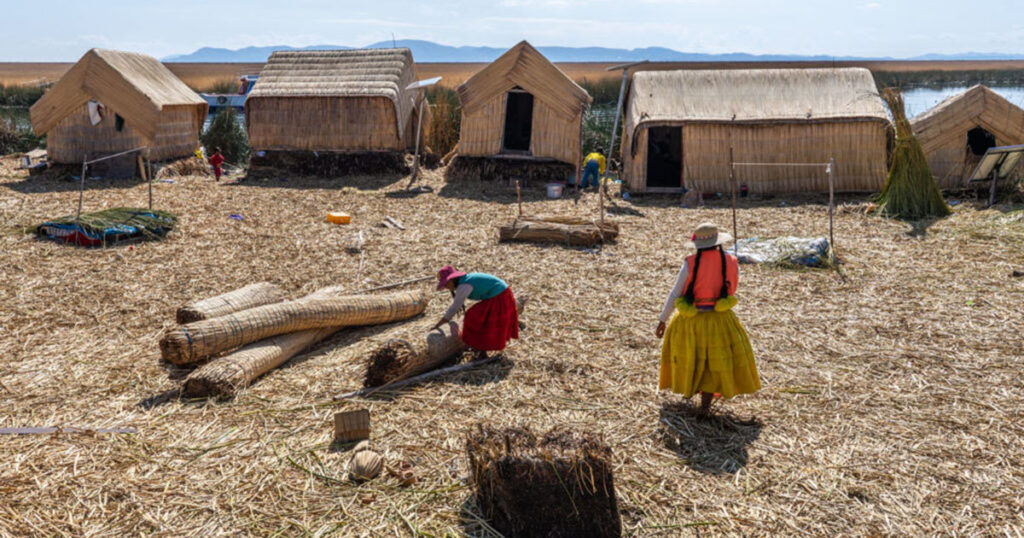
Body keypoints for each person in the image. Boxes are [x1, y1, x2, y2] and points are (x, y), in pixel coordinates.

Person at [655, 222, 760, 415]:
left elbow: (675, 293)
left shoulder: (690, 262)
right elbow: (732, 289)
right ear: (718, 242)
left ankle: (689, 390)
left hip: (690, 320)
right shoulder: (731, 261)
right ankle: (704, 406)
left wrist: (663, 319)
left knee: (691, 358)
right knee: (714, 364)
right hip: (719, 320)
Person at [433, 266, 519, 359]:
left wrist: (441, 322)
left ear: (452, 280)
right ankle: (479, 347)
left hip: (499, 296)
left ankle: (480, 348)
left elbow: (455, 306)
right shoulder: (464, 281)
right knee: (476, 316)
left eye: (446, 284)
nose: (446, 287)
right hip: (500, 294)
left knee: (474, 317)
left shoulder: (463, 285)